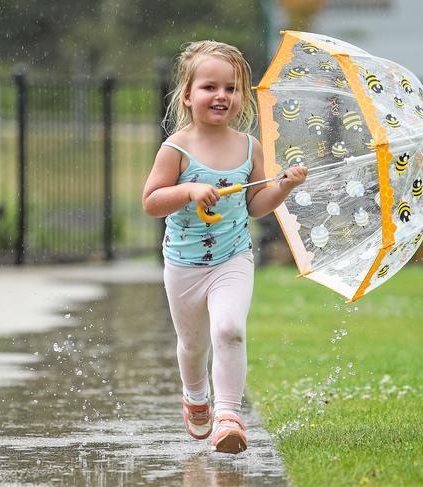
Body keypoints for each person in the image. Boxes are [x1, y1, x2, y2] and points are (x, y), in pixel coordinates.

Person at [142, 40, 307, 454]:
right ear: (187, 95)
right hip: (184, 264)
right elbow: (151, 201)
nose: (221, 96)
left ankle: (229, 415)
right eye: (209, 87)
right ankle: (196, 395)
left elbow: (256, 204)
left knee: (230, 330)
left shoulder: (248, 147)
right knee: (193, 345)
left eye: (231, 89)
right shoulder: (175, 148)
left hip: (233, 258)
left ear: (242, 97)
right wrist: (189, 190)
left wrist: (283, 187)